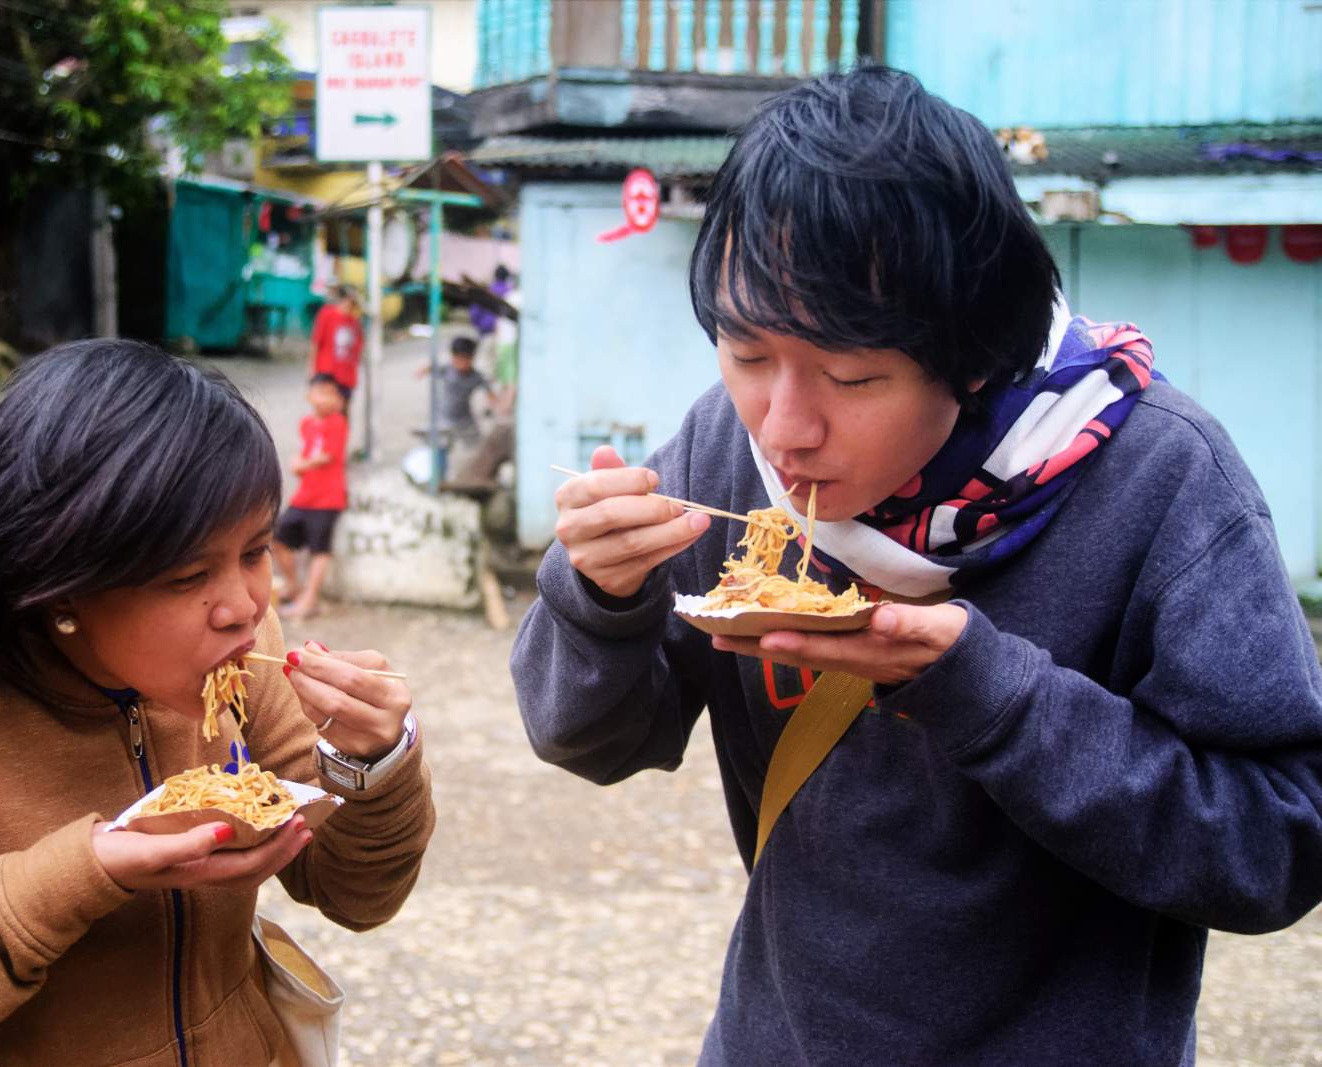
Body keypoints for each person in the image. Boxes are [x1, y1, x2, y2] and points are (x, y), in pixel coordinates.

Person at [511, 68, 1322, 1066]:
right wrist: (597, 596)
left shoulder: (1159, 482)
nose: (786, 425)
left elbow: (1278, 843)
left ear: (975, 354)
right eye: (745, 350)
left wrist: (988, 693)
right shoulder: (726, 445)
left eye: (852, 375)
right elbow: (588, 739)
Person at [0, 340, 434, 1066]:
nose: (241, 604)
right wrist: (77, 879)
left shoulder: (236, 657)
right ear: (63, 579)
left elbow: (357, 895)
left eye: (255, 549)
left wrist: (373, 763)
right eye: (187, 574)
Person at [274, 372, 350, 620]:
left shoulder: (338, 422)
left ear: (339, 400)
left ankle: (309, 599)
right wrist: (299, 461)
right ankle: (294, 585)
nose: (327, 399)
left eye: (332, 394)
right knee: (279, 538)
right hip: (304, 496)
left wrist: (299, 464)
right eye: (322, 392)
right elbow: (307, 453)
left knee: (320, 549)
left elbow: (325, 457)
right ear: (310, 396)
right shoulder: (306, 423)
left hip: (328, 497)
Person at [417, 334, 492, 445]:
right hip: (442, 417)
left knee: (477, 446)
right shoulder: (447, 369)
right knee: (437, 447)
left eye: (465, 359)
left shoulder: (476, 377)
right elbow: (432, 366)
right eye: (458, 360)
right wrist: (423, 371)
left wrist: (493, 401)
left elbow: (489, 392)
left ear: (472, 358)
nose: (461, 363)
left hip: (465, 419)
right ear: (452, 358)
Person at [310, 285, 363, 407]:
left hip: (346, 376)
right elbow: (316, 343)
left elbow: (357, 350)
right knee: (325, 409)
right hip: (327, 372)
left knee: (343, 413)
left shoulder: (354, 322)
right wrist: (311, 371)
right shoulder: (327, 314)